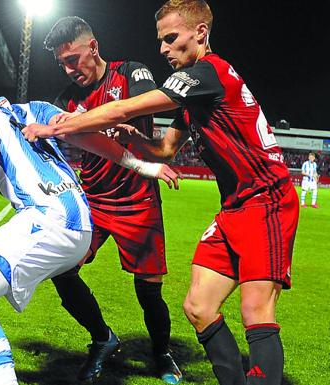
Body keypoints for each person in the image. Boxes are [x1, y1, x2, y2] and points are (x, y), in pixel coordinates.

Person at [23, 1, 299, 384]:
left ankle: (177, 358)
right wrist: (137, 141)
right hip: (233, 208)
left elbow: (125, 107)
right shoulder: (194, 98)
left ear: (200, 33)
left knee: (255, 311)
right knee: (199, 307)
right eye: (161, 41)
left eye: (171, 39)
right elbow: (166, 150)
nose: (163, 49)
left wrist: (56, 128)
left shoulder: (207, 73)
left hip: (266, 200)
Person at [0, 76, 180, 385]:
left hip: (50, 219)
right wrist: (146, 166)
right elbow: (84, 137)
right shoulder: (32, 109)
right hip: (79, 222)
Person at [42, 16, 181, 383]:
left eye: (73, 59)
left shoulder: (130, 73)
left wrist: (127, 125)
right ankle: (101, 339)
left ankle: (162, 355)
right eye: (63, 64)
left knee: (149, 290)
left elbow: (146, 104)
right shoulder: (66, 100)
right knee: (62, 269)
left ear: (93, 47)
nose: (70, 69)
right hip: (93, 203)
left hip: (138, 200)